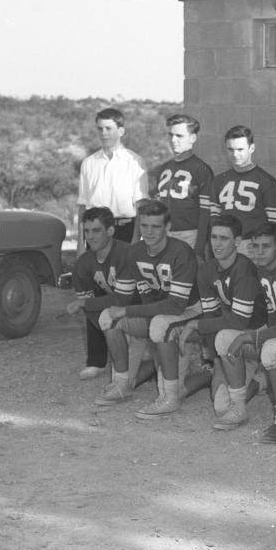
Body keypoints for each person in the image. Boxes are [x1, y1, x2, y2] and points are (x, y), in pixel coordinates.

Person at [94, 199, 200, 413]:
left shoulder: (181, 251)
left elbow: (176, 305)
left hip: (191, 312)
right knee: (108, 317)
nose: (149, 232)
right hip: (159, 315)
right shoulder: (135, 252)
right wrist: (111, 308)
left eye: (156, 226)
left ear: (168, 227)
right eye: (144, 226)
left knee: (160, 324)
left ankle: (172, 397)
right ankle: (122, 384)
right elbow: (127, 298)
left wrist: (128, 311)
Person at [167, 213, 265, 424]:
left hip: (256, 336)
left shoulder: (245, 268)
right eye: (214, 237)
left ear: (237, 242)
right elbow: (212, 314)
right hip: (228, 340)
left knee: (205, 331)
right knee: (220, 405)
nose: (217, 244)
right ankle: (250, 377)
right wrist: (216, 357)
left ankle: (259, 381)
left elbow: (239, 321)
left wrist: (195, 324)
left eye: (224, 238)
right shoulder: (207, 269)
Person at [216, 223, 276, 440]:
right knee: (224, 339)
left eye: (265, 246)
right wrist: (251, 335)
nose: (259, 252)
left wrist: (250, 336)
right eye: (255, 246)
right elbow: (272, 318)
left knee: (270, 349)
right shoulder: (261, 270)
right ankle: (239, 406)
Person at [66, 206, 129, 381]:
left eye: (96, 231)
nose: (90, 236)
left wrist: (86, 304)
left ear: (110, 230)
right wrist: (105, 326)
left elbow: (126, 298)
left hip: (140, 303)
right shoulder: (84, 262)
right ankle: (97, 360)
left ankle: (141, 355)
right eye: (86, 231)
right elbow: (86, 302)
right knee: (95, 307)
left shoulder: (126, 254)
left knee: (93, 304)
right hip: (115, 302)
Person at [77, 107, 148, 247]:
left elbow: (141, 207)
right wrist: (80, 245)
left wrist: (135, 242)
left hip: (124, 231)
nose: (104, 133)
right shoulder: (88, 163)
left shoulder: (135, 162)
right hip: (95, 231)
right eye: (100, 129)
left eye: (109, 128)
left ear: (121, 131)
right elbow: (82, 207)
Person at [151, 113, 214, 253]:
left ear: (192, 138)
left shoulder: (201, 169)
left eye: (179, 136)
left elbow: (206, 213)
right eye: (170, 135)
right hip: (163, 234)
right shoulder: (163, 168)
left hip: (189, 235)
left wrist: (199, 247)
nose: (173, 140)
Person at [207, 125, 276, 240]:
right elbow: (214, 220)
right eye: (230, 149)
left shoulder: (267, 182)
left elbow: (275, 225)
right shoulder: (219, 181)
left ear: (251, 148)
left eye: (240, 149)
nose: (235, 154)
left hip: (253, 244)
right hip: (225, 242)